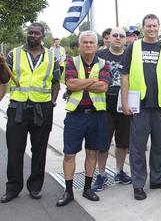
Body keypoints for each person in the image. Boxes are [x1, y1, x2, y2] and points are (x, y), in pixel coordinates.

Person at [0, 23, 60, 203]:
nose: (32, 35)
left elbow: (55, 82)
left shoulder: (51, 56)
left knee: (39, 150)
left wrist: (52, 102)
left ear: (43, 36)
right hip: (17, 109)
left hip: (42, 110)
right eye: (30, 32)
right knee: (15, 150)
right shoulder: (14, 53)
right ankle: (13, 188)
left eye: (36, 33)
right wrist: (2, 65)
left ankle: (35, 187)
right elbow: (4, 79)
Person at [121, 14, 161, 200]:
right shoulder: (132, 47)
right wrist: (125, 102)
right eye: (148, 26)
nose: (152, 29)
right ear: (143, 27)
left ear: (159, 27)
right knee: (137, 147)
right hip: (140, 106)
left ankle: (157, 178)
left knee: (160, 145)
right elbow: (125, 76)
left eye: (155, 26)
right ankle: (138, 184)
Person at [57, 31, 110, 207]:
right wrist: (92, 80)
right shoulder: (71, 61)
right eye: (85, 42)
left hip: (96, 115)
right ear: (80, 45)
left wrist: (82, 82)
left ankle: (87, 188)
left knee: (91, 153)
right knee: (69, 154)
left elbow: (103, 87)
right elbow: (70, 83)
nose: (88, 45)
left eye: (91, 42)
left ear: (97, 45)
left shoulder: (104, 63)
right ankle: (69, 191)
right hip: (75, 115)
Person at [93, 27, 132, 192]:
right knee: (103, 143)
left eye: (121, 36)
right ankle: (101, 174)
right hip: (104, 106)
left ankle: (119, 170)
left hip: (124, 105)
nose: (118, 38)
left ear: (125, 39)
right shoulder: (100, 56)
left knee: (123, 142)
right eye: (114, 35)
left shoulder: (130, 56)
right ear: (108, 38)